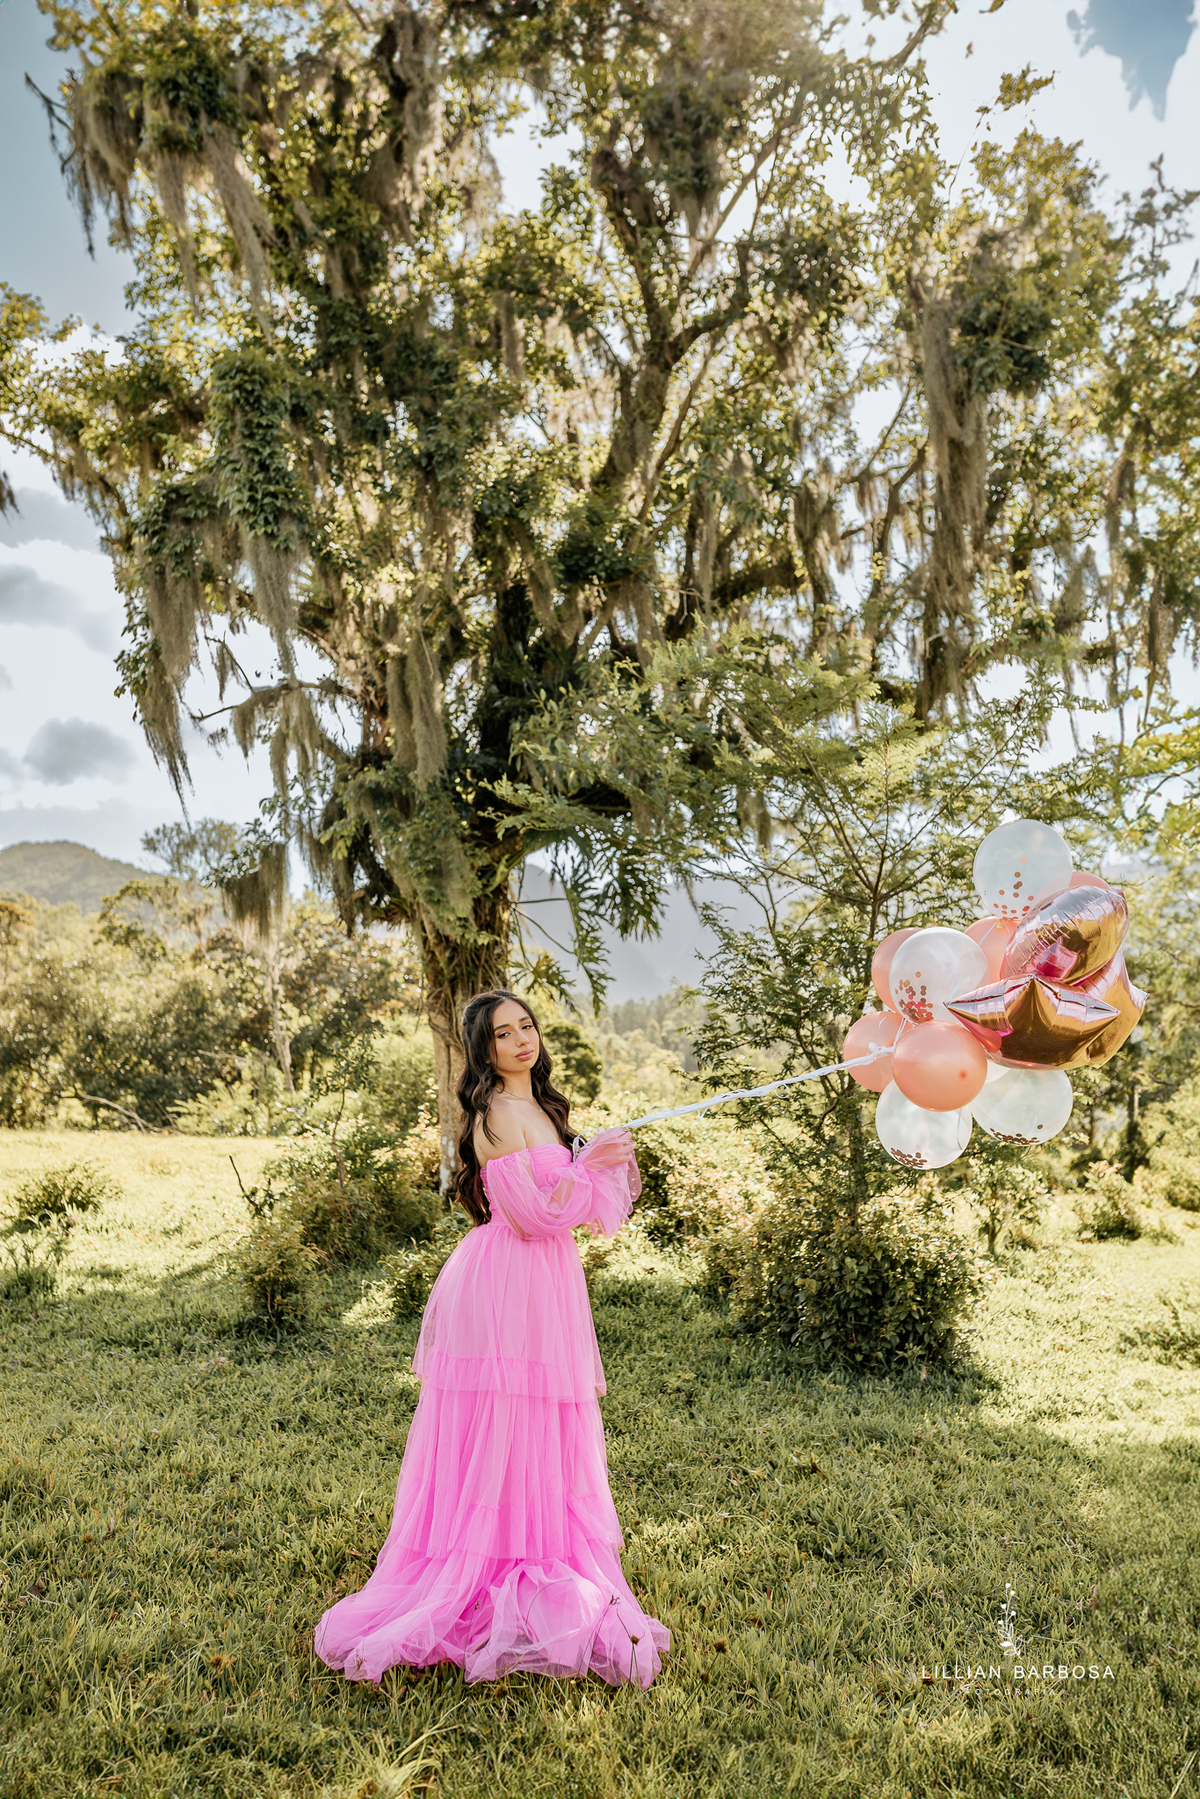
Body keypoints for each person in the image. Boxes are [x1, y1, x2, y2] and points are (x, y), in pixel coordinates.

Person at [314, 989, 669, 1688]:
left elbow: (578, 1213)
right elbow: (535, 1215)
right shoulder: (491, 1116)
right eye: (504, 1034)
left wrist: (593, 1159)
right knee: (501, 1415)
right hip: (502, 1282)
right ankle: (483, 1559)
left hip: (547, 1283)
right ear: (484, 1050)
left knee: (543, 1419)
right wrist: (588, 1164)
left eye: (527, 1026)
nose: (520, 1040)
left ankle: (536, 1548)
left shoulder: (542, 1104)